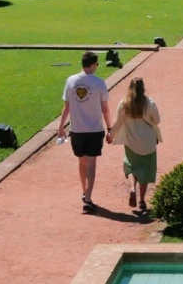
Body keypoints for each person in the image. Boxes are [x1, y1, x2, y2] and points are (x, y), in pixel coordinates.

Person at [59, 51, 112, 213]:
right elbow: (105, 109)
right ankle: (88, 199)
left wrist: (61, 127)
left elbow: (66, 107)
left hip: (76, 130)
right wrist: (110, 128)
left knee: (81, 162)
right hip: (94, 130)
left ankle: (85, 192)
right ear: (93, 64)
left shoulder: (71, 81)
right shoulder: (99, 83)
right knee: (91, 164)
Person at [109, 77, 162, 213]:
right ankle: (142, 200)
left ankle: (132, 188)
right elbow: (157, 120)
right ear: (143, 88)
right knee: (145, 170)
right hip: (148, 142)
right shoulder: (150, 103)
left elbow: (117, 123)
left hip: (131, 142)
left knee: (132, 166)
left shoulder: (124, 104)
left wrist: (111, 136)